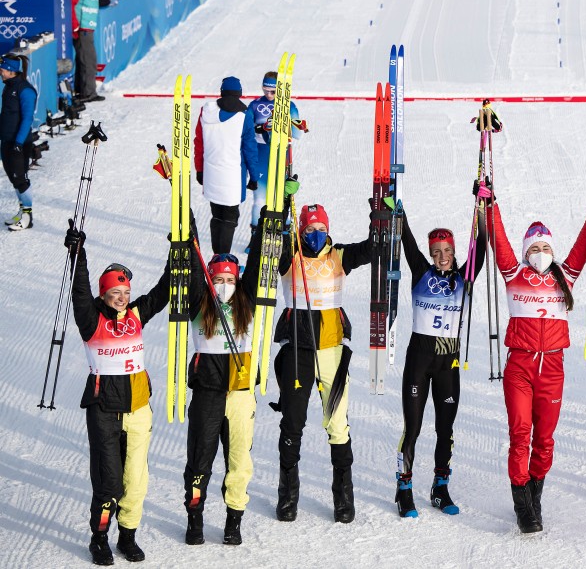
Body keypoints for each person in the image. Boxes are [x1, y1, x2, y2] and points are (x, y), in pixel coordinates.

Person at [485, 184, 586, 534]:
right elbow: (498, 239)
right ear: (525, 252)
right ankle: (523, 508)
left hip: (553, 368)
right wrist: (490, 204)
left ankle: (535, 496)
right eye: (535, 248)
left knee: (545, 439)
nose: (541, 252)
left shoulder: (566, 276)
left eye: (546, 247)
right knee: (520, 434)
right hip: (519, 366)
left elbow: (584, 244)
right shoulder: (514, 273)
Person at [66, 226, 172, 565]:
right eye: (115, 291)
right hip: (104, 410)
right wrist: (78, 254)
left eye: (125, 290)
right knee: (109, 482)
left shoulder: (136, 315)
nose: (121, 296)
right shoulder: (91, 319)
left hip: (139, 408)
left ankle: (128, 536)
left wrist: (178, 253)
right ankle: (99, 538)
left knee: (137, 481)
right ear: (104, 293)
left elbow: (163, 291)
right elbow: (80, 292)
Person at [272, 202, 374, 523]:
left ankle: (343, 493)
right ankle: (288, 492)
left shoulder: (338, 256)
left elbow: (372, 248)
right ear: (301, 230)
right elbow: (269, 246)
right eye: (310, 230)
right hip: (298, 351)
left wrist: (379, 219)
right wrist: (279, 218)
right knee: (293, 421)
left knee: (337, 423)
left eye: (321, 229)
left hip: (332, 351)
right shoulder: (290, 256)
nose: (316, 235)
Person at [393, 214, 477, 518]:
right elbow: (408, 243)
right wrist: (397, 212)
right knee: (412, 428)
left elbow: (480, 247)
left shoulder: (464, 277)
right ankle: (404, 489)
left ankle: (440, 488)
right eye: (437, 251)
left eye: (448, 251)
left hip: (447, 361)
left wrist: (483, 208)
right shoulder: (421, 272)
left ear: (454, 252)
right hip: (419, 359)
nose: (442, 257)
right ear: (431, 255)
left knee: (445, 428)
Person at [181, 250, 255, 547]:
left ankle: (233, 521)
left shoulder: (246, 301)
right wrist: (187, 228)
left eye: (230, 279)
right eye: (218, 280)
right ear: (210, 282)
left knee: (239, 462)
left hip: (240, 394)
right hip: (207, 394)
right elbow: (193, 264)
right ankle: (195, 518)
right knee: (200, 461)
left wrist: (266, 220)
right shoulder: (200, 302)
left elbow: (261, 253)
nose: (225, 285)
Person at [194, 77, 257, 255]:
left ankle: (217, 257)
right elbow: (249, 149)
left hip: (211, 174)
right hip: (233, 178)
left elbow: (199, 142)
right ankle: (223, 261)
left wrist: (200, 169)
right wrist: (253, 176)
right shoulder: (244, 116)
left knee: (217, 216)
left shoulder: (206, 111)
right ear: (239, 94)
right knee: (230, 219)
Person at [247, 71, 304, 230]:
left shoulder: (289, 105)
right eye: (265, 90)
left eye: (273, 91)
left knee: (280, 195)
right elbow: (245, 130)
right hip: (261, 153)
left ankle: (283, 229)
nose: (268, 94)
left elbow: (298, 132)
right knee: (259, 198)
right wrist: (259, 129)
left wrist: (291, 127)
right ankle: (255, 234)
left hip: (280, 153)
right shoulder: (255, 105)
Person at [2, 54, 36, 231]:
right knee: (14, 179)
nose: (0, 72)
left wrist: (18, 143)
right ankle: (22, 211)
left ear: (11, 71)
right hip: (7, 141)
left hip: (19, 144)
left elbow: (27, 118)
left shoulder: (26, 90)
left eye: (2, 69)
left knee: (21, 180)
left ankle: (28, 217)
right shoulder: (9, 87)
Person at [71, 0, 103, 103]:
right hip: (81, 28)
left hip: (88, 28)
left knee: (85, 60)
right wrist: (74, 25)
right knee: (88, 61)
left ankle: (81, 90)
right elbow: (71, 4)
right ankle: (88, 93)